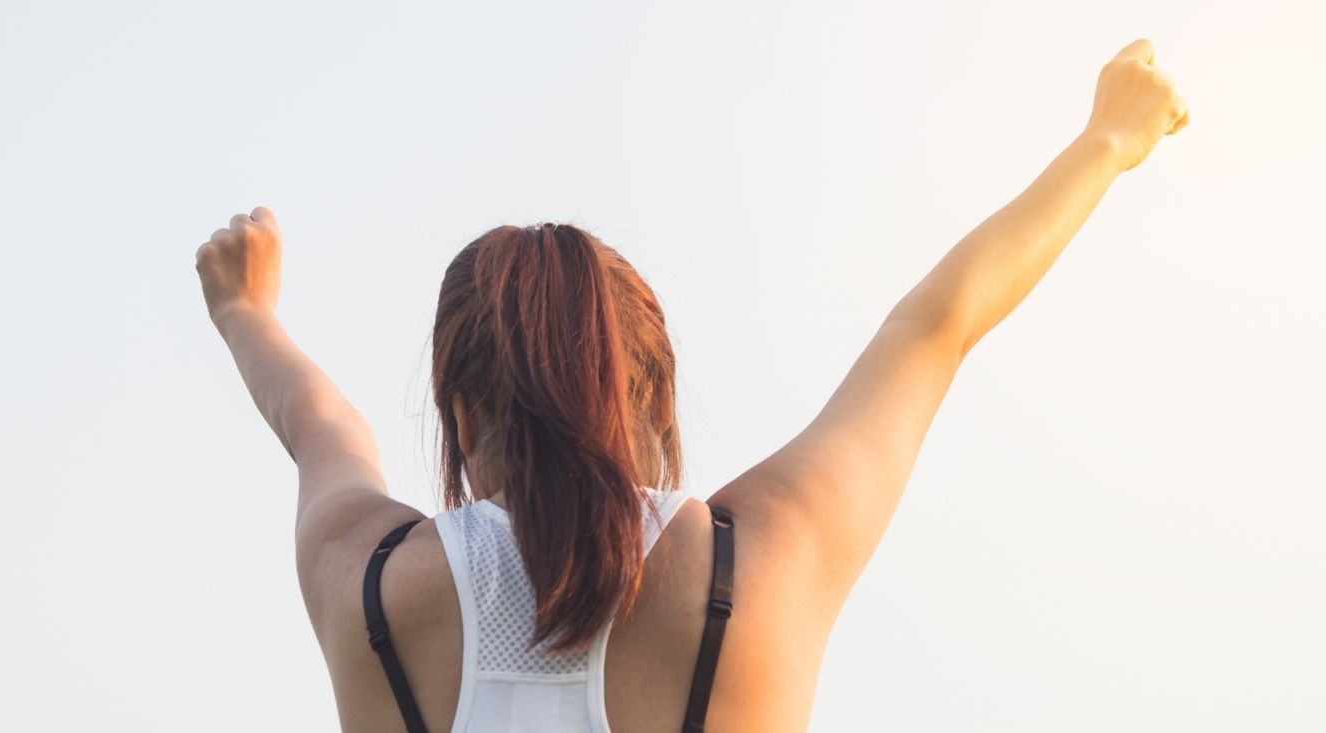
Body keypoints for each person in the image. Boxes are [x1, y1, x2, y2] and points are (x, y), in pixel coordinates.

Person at [193, 38, 1189, 733]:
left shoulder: (367, 582)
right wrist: (1107, 140)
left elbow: (317, 422)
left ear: (458, 407)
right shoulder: (753, 568)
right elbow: (932, 328)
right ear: (649, 398)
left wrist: (247, 312)